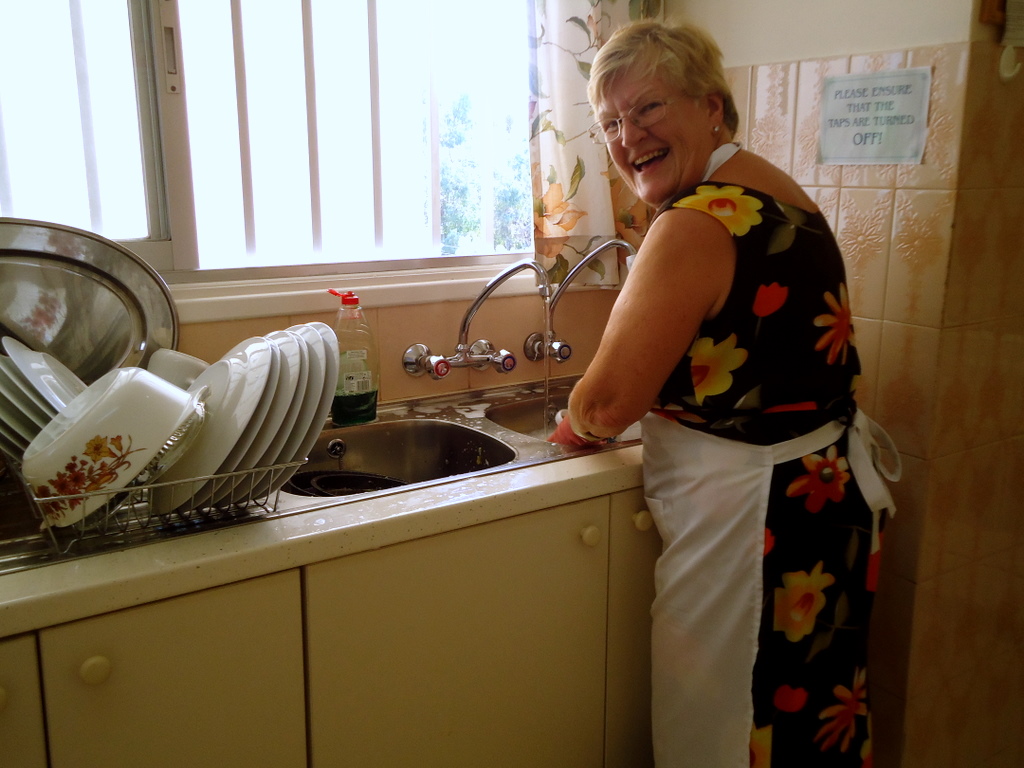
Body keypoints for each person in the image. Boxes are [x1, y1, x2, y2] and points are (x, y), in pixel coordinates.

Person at [547, 19, 900, 767]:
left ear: (712, 107)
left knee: (729, 731)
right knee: (808, 725)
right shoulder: (783, 194)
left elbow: (608, 405)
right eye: (610, 121)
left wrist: (574, 419)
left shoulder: (694, 223)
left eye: (647, 108)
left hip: (755, 531)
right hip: (823, 504)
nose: (626, 135)